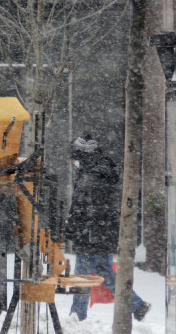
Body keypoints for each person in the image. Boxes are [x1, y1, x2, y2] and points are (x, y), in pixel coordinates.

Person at [64, 134, 150, 322]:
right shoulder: (101, 171)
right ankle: (137, 305)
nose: (73, 161)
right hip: (102, 234)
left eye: (75, 157)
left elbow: (82, 207)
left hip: (90, 236)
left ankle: (77, 318)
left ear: (83, 155)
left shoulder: (90, 177)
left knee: (82, 279)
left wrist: (71, 229)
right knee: (107, 275)